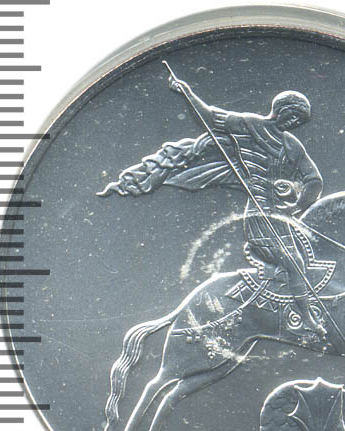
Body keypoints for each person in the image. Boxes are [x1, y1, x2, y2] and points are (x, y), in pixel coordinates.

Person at [100, 77, 325, 336]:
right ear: (281, 110)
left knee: (301, 261)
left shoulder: (291, 144)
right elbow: (209, 117)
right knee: (294, 262)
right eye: (294, 116)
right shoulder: (249, 124)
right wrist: (187, 92)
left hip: (279, 215)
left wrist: (295, 207)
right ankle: (306, 319)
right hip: (259, 214)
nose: (295, 123)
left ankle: (283, 308)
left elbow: (314, 180)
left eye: (299, 121)